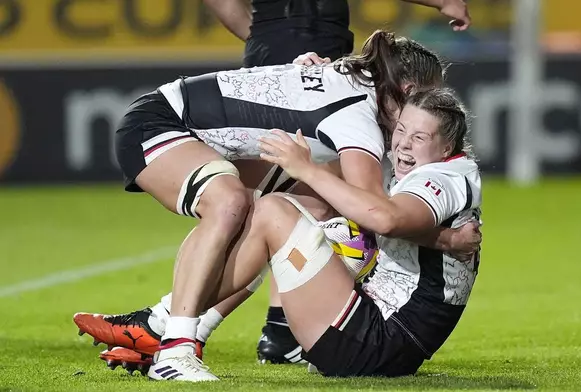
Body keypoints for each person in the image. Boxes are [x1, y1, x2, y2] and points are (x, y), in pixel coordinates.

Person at [73, 31, 479, 380]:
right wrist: (443, 238)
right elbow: (377, 214)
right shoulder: (360, 119)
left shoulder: (350, 80)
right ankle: (176, 345)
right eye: (430, 96)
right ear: (408, 92)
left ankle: (166, 324)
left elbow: (365, 209)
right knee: (234, 203)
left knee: (315, 204)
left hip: (188, 127)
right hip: (161, 124)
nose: (433, 106)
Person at [144, 86, 481, 380]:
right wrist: (445, 239)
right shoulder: (444, 171)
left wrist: (305, 168)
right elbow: (395, 226)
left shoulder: (438, 179)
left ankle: (171, 332)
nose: (403, 145)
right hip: (379, 340)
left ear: (447, 145)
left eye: (419, 137)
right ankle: (177, 328)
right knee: (280, 214)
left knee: (274, 212)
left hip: (374, 343)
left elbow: (386, 218)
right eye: (402, 130)